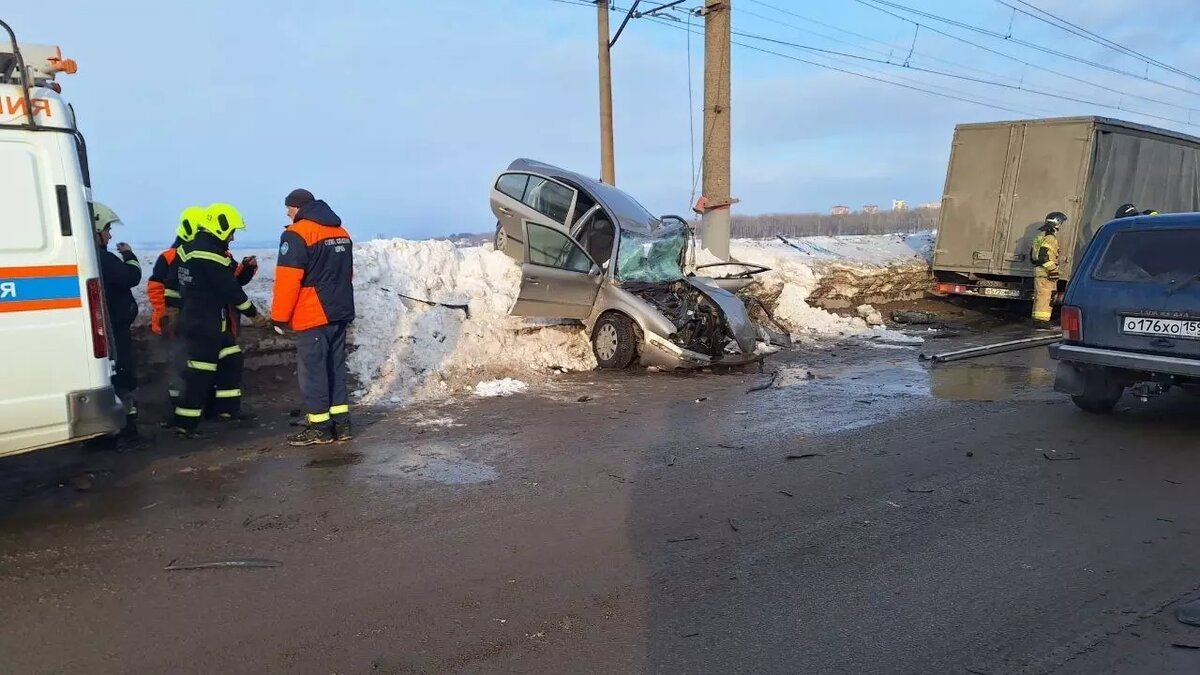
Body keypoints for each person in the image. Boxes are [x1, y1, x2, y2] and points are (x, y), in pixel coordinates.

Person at [172, 203, 269, 438]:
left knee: (231, 358)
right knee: (198, 375)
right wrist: (254, 315)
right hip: (204, 325)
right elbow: (232, 292)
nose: (233, 237)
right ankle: (185, 426)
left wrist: (245, 268)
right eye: (232, 231)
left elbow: (231, 280)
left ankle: (226, 410)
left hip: (206, 323)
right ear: (220, 227)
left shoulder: (190, 249)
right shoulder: (211, 256)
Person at [271, 188, 355, 446]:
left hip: (313, 313)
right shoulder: (341, 232)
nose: (287, 213)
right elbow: (347, 274)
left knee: (313, 372)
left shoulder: (296, 234)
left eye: (289, 208)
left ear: (297, 207)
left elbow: (288, 279)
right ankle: (341, 425)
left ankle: (319, 427)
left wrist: (279, 317)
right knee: (335, 368)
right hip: (339, 310)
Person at [147, 206, 204, 419]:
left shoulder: (198, 255)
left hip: (190, 321)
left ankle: (189, 408)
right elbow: (156, 287)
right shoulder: (170, 257)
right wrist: (167, 315)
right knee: (177, 366)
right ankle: (174, 412)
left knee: (188, 364)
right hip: (173, 322)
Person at [93, 202, 142, 439]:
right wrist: (130, 255)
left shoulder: (96, 258)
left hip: (112, 326)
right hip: (115, 330)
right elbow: (131, 276)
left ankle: (117, 429)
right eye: (107, 229)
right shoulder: (102, 258)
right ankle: (127, 430)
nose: (110, 235)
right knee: (122, 375)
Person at [1031, 211, 1066, 327]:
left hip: (1039, 271)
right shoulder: (1050, 237)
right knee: (1045, 297)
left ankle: (1038, 320)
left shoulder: (1040, 235)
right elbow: (1043, 256)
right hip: (1045, 273)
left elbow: (1033, 255)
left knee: (1040, 296)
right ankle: (1041, 322)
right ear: (1057, 223)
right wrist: (1052, 269)